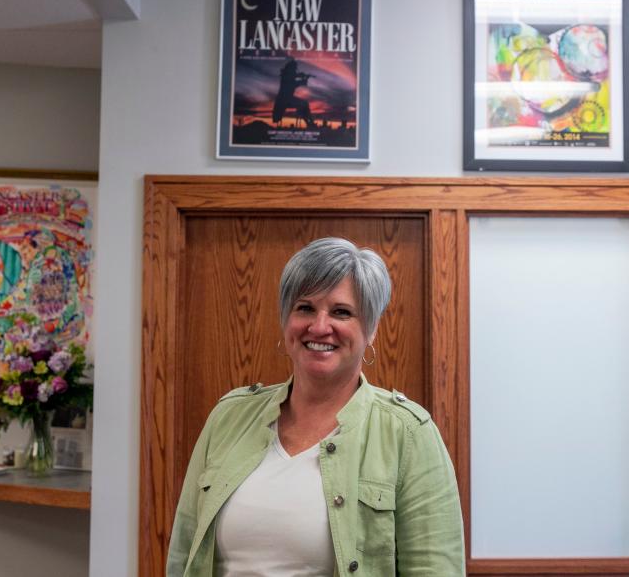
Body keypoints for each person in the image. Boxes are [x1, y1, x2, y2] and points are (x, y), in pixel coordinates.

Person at [167, 237, 465, 576]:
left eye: (341, 312)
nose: (320, 327)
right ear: (286, 320)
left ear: (371, 329)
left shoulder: (409, 434)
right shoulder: (228, 417)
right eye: (305, 307)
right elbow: (182, 554)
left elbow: (435, 569)